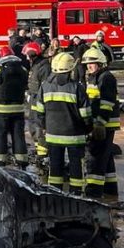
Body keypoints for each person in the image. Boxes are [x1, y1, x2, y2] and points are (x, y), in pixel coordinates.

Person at [32, 52, 92, 194]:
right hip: (75, 136)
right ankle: (76, 193)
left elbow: (39, 111)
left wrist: (44, 127)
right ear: (70, 69)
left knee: (55, 166)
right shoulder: (77, 87)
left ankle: (55, 192)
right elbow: (86, 114)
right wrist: (89, 129)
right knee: (76, 165)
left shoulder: (45, 86)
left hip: (52, 135)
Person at [81, 48, 121, 198]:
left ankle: (93, 193)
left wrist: (100, 123)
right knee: (106, 158)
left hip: (104, 124)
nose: (89, 66)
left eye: (92, 63)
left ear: (101, 63)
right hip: (101, 123)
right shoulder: (95, 77)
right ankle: (110, 190)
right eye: (87, 64)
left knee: (95, 158)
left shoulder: (106, 78)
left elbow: (106, 103)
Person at [0, 45, 29, 168]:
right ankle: (22, 161)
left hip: (1, 110)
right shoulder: (23, 69)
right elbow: (27, 84)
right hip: (18, 109)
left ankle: (0, 161)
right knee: (18, 135)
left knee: (0, 135)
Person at [23, 41, 50, 163]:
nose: (26, 58)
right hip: (33, 99)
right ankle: (38, 149)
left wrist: (40, 101)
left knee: (40, 127)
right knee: (32, 125)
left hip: (39, 101)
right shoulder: (35, 65)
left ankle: (43, 154)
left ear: (32, 54)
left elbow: (44, 87)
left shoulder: (43, 67)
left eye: (27, 55)